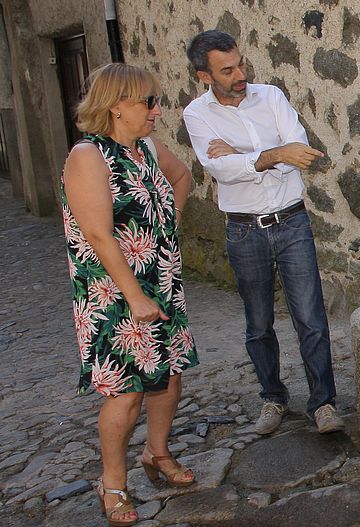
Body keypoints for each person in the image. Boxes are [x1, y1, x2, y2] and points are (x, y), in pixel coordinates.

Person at [183, 30, 344, 435]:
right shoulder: (196, 114)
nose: (240, 74)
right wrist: (272, 155)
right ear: (204, 76)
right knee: (258, 323)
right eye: (227, 70)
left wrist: (244, 157)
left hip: (292, 222)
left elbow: (299, 153)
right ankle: (273, 398)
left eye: (240, 63)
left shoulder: (271, 96)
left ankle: (323, 403)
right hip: (244, 230)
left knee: (311, 318)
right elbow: (220, 170)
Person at [61, 63, 199, 527]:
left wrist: (169, 225)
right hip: (115, 295)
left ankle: (156, 452)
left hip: (162, 282)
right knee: (127, 393)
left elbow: (183, 178)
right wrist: (136, 297)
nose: (157, 110)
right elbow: (99, 234)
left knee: (169, 376)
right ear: (116, 105)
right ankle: (113, 483)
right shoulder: (88, 156)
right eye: (148, 102)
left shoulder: (149, 149)